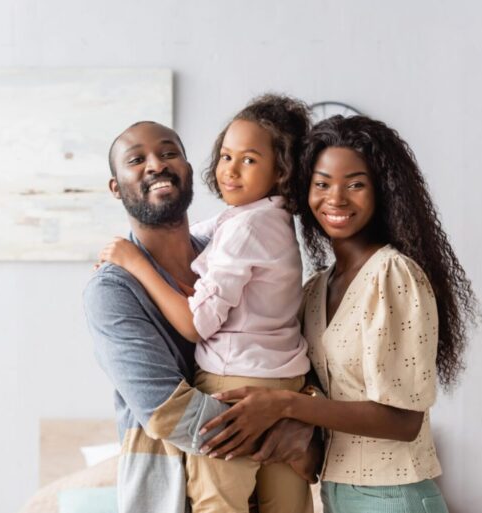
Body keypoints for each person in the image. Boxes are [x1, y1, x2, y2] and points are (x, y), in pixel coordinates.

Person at [200, 115, 480, 513]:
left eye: (355, 184)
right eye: (322, 183)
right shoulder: (315, 288)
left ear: (383, 191)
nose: (336, 198)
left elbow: (403, 421)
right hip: (337, 494)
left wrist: (283, 406)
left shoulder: (393, 274)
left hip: (394, 498)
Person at [84, 120, 320, 513]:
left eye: (169, 152)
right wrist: (282, 429)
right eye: (137, 159)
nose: (156, 164)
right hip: (172, 496)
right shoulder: (113, 289)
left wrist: (302, 410)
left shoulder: (232, 248)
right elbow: (166, 412)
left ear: (189, 170)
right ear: (116, 187)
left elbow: (283, 338)